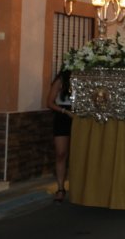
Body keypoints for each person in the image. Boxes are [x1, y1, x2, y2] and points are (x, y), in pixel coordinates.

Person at [46, 69, 74, 202]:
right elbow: (49, 102)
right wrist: (64, 111)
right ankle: (61, 188)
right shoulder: (61, 80)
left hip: (78, 116)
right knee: (61, 153)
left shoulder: (84, 78)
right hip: (63, 116)